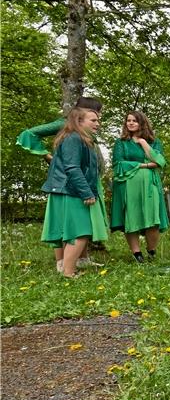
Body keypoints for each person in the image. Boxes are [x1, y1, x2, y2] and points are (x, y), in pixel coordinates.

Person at [17, 96, 108, 270]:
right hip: (70, 183)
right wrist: (46, 156)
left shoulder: (85, 130)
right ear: (81, 115)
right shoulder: (69, 129)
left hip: (83, 180)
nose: (98, 119)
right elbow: (29, 134)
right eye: (96, 114)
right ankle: (64, 264)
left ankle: (77, 260)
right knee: (70, 224)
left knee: (79, 224)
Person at [40, 106, 108, 278]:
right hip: (70, 190)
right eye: (93, 120)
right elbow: (72, 168)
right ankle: (69, 272)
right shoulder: (73, 138)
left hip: (70, 189)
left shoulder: (80, 138)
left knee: (76, 231)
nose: (97, 124)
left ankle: (68, 269)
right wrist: (86, 192)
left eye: (98, 120)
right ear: (79, 121)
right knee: (81, 231)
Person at [110, 110, 169, 262]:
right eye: (128, 120)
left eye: (134, 121)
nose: (130, 123)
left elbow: (159, 161)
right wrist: (145, 165)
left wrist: (143, 143)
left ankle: (151, 250)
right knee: (132, 217)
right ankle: (137, 253)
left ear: (142, 123)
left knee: (153, 218)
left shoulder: (154, 142)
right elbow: (118, 164)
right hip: (128, 186)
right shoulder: (121, 143)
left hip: (151, 185)